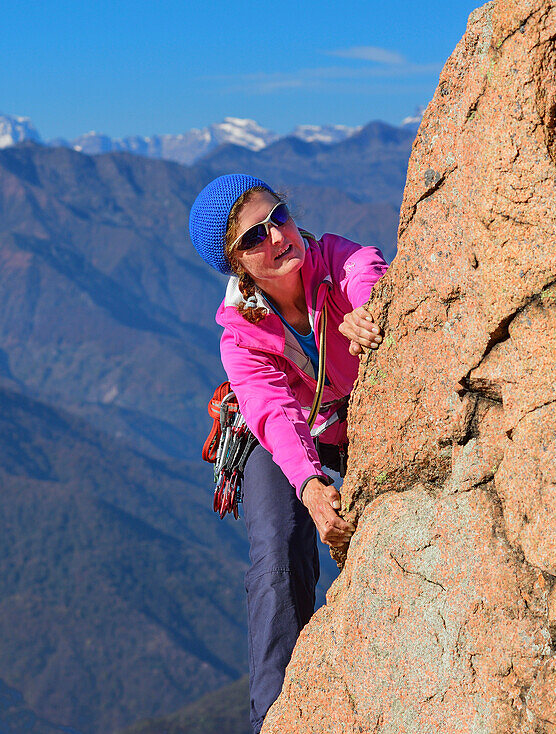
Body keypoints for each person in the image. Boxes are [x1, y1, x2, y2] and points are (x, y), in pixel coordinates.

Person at [188, 174, 388, 733]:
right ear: (237, 266)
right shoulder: (240, 336)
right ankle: (274, 718)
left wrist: (366, 311)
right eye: (254, 238)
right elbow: (273, 412)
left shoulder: (334, 261)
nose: (277, 238)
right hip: (279, 434)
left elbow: (367, 269)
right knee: (277, 553)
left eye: (278, 216)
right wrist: (310, 484)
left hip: (350, 417)